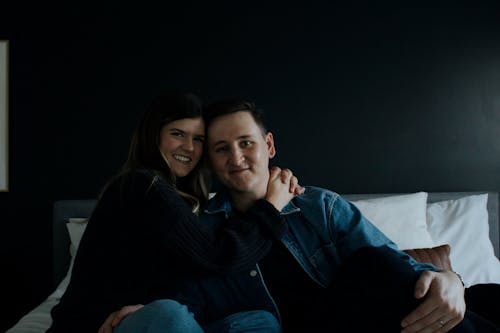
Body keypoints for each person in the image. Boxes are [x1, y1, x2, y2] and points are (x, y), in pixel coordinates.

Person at [101, 98, 500, 332]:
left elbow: (395, 267)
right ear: (210, 159)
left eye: (246, 143)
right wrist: (146, 311)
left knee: (384, 267)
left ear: (269, 145)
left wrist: (451, 279)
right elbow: (189, 305)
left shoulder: (318, 205)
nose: (236, 157)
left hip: (364, 324)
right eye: (221, 148)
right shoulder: (206, 231)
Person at [46, 92, 303, 333]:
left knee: (259, 322)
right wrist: (271, 207)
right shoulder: (142, 185)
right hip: (98, 325)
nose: (189, 147)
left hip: (143, 316)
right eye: (178, 134)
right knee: (168, 315)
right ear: (153, 136)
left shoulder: (181, 199)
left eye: (198, 139)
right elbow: (220, 257)